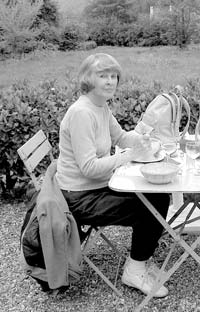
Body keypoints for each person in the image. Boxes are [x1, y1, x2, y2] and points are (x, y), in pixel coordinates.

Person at [56, 53, 170, 298]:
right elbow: (88, 167)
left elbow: (120, 137)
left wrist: (143, 140)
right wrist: (129, 156)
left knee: (158, 195)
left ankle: (140, 261)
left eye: (113, 76)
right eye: (102, 76)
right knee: (148, 208)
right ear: (88, 79)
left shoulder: (100, 106)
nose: (110, 81)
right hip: (79, 197)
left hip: (96, 186)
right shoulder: (82, 113)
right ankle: (134, 272)